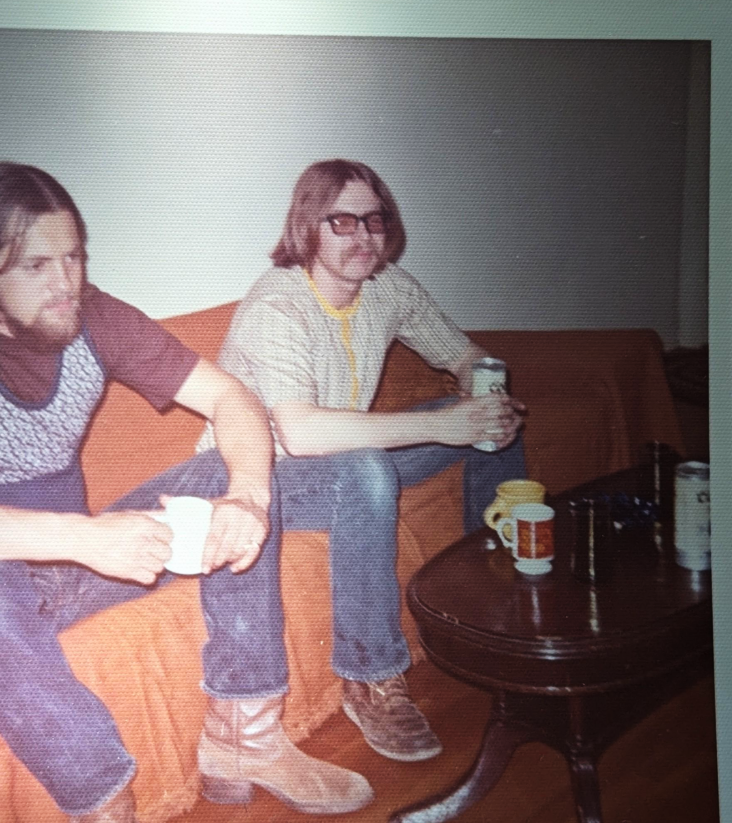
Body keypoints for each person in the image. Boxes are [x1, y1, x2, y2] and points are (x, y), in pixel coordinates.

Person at [0, 162, 373, 823]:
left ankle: (246, 733)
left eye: (74, 256)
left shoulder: (93, 315)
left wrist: (248, 499)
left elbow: (234, 399)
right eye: (37, 265)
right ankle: (104, 810)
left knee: (224, 481)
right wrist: (84, 538)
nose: (66, 282)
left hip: (80, 566)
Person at [199, 159, 527, 764]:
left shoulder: (387, 287)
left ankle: (494, 603)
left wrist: (484, 391)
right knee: (372, 467)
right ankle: (369, 675)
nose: (362, 238)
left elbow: (464, 354)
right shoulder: (279, 305)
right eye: (341, 222)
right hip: (261, 474)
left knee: (490, 426)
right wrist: (440, 423)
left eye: (373, 221)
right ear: (308, 227)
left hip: (348, 464)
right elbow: (297, 434)